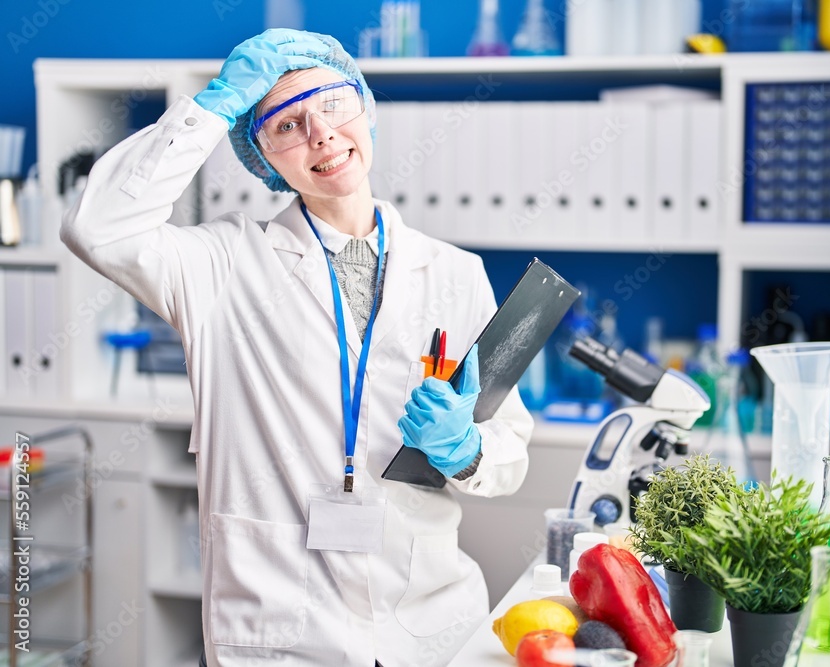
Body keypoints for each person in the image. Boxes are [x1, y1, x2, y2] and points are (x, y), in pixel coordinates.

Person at [61, 29, 533, 667]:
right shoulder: (222, 265)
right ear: (260, 154)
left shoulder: (456, 274)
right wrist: (214, 105)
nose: (320, 134)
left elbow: (509, 457)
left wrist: (469, 449)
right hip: (281, 633)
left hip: (431, 624)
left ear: (364, 106)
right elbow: (98, 226)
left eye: (332, 104)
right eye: (285, 123)